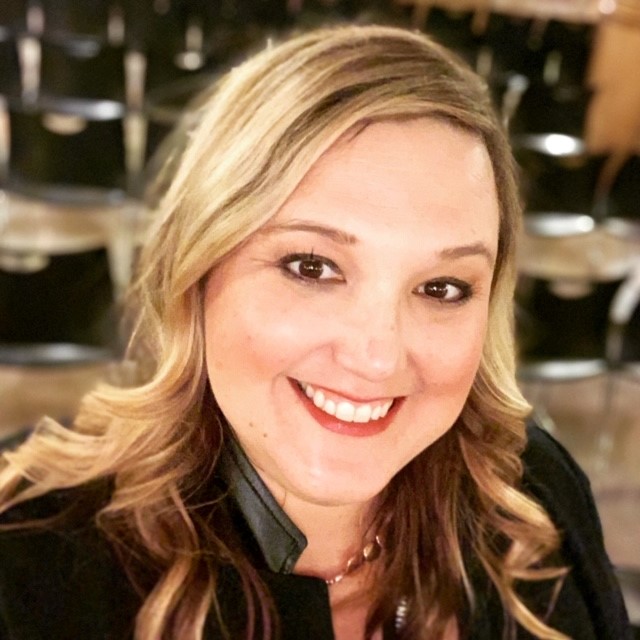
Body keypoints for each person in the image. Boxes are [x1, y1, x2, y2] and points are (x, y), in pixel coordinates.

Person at [0, 23, 632, 640]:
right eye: (312, 267)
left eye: (442, 288)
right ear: (197, 268)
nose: (377, 357)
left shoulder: (532, 494)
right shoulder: (32, 561)